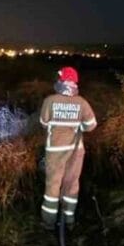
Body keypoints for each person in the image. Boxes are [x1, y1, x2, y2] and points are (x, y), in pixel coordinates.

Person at [38, 66, 97, 230]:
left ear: (61, 81)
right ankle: (68, 220)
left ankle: (49, 222)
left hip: (55, 150)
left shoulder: (50, 101)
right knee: (71, 184)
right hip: (77, 150)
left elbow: (43, 122)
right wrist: (77, 124)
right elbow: (91, 126)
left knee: (53, 184)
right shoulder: (82, 102)